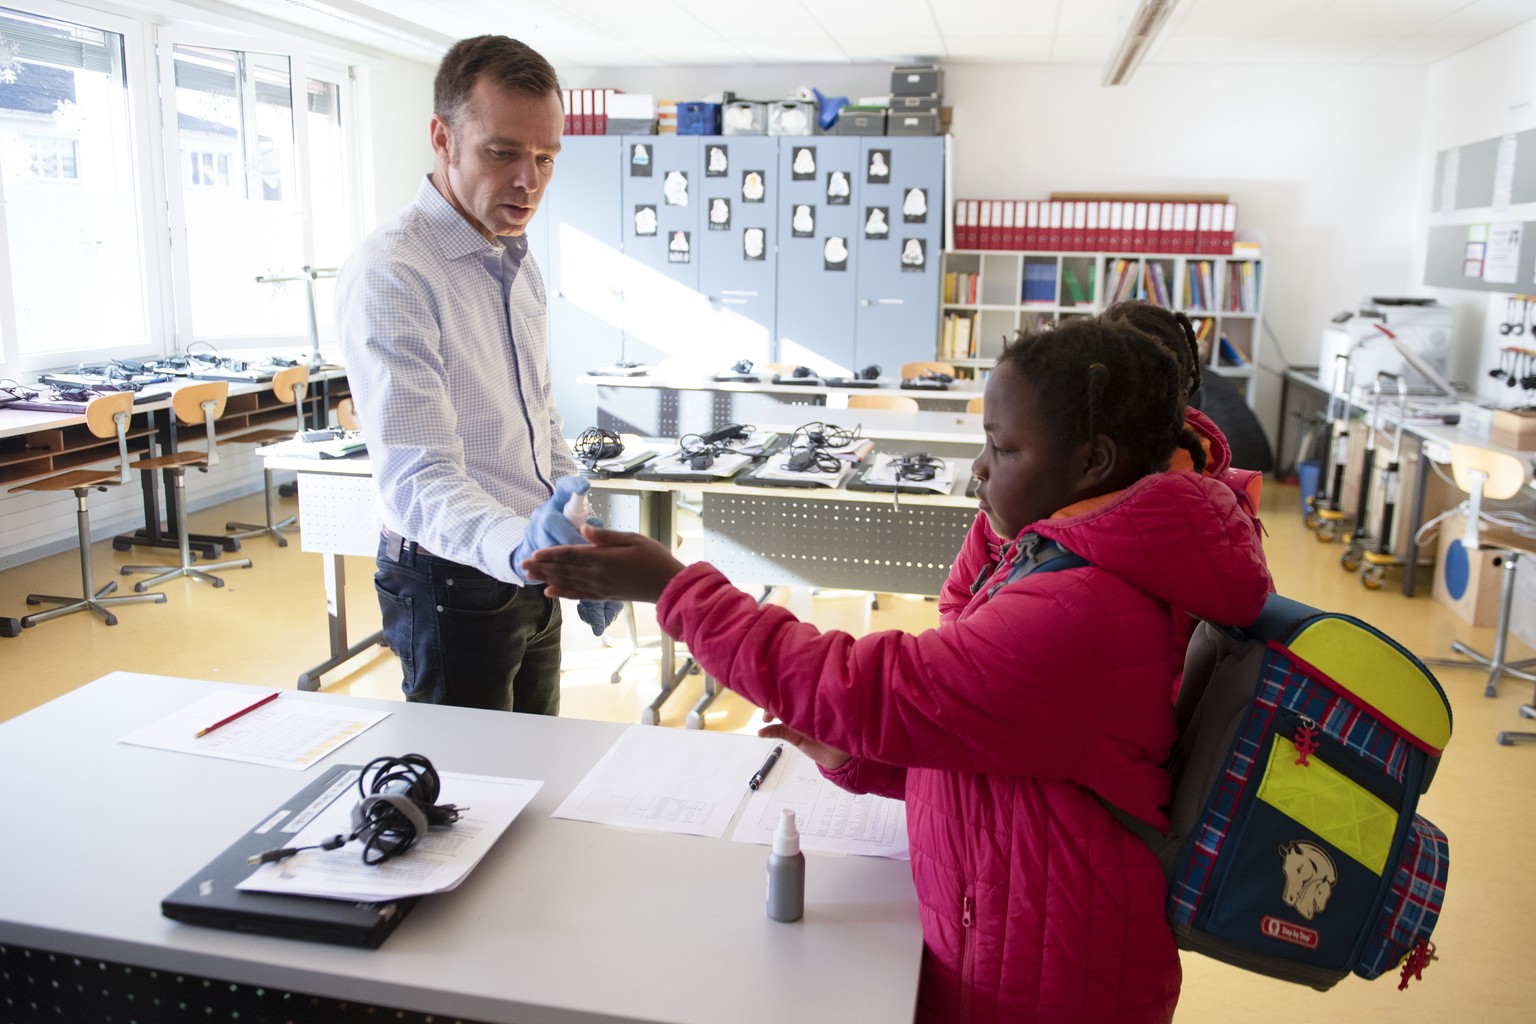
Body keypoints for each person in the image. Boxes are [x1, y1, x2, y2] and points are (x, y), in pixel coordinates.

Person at [524, 316, 1273, 1023]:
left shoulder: (1079, 607)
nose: (979, 471)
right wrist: (865, 761)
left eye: (1003, 449)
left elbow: (874, 689)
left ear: (1093, 462)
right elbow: (1000, 753)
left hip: (1050, 978)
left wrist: (675, 589)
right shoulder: (1067, 563)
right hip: (1020, 933)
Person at [336, 35, 617, 714]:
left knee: (536, 771)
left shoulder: (516, 261)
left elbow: (538, 412)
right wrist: (523, 546)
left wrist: (574, 526)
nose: (530, 180)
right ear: (443, 137)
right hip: (450, 578)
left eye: (545, 158)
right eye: (503, 152)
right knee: (467, 797)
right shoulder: (394, 271)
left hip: (528, 567)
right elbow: (418, 478)